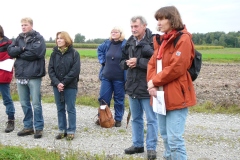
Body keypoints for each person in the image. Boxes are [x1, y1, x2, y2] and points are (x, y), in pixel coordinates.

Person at [147, 6, 197, 159]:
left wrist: (154, 80)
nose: (159, 23)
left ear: (172, 19)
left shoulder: (184, 39)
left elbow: (177, 67)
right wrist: (152, 84)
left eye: (162, 19)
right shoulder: (161, 41)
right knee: (166, 138)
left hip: (177, 95)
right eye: (158, 19)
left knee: (175, 140)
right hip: (160, 96)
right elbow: (152, 64)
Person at [120, 16, 158, 160]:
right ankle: (137, 144)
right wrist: (126, 63)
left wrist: (139, 62)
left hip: (148, 87)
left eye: (136, 26)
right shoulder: (129, 42)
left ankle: (151, 148)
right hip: (132, 86)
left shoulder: (154, 41)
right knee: (136, 118)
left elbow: (158, 62)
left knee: (152, 119)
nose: (133, 29)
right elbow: (120, 62)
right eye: (131, 27)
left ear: (144, 26)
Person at [7, 17, 46, 139]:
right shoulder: (18, 38)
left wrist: (19, 53)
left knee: (36, 103)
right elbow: (10, 51)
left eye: (25, 25)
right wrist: (21, 49)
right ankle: (28, 126)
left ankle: (38, 128)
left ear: (31, 25)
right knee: (24, 103)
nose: (23, 27)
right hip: (21, 74)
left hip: (34, 75)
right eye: (22, 25)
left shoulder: (38, 38)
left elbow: (36, 53)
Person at [48, 31, 80, 140]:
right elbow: (50, 69)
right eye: (57, 38)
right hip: (57, 86)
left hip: (70, 85)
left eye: (61, 38)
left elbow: (75, 70)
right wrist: (57, 83)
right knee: (60, 108)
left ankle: (71, 130)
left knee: (70, 108)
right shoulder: (54, 54)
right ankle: (62, 130)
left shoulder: (74, 53)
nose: (58, 40)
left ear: (66, 40)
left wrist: (64, 82)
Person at [96, 26, 126, 127]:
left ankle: (118, 119)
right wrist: (103, 61)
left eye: (116, 32)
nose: (113, 33)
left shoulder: (125, 44)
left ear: (121, 33)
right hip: (106, 76)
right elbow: (99, 50)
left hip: (119, 77)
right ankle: (103, 117)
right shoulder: (107, 43)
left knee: (119, 99)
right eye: (112, 32)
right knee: (103, 98)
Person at [0, 25, 15, 133]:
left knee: (6, 99)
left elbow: (10, 56)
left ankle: (11, 120)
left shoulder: (9, 43)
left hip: (3, 74)